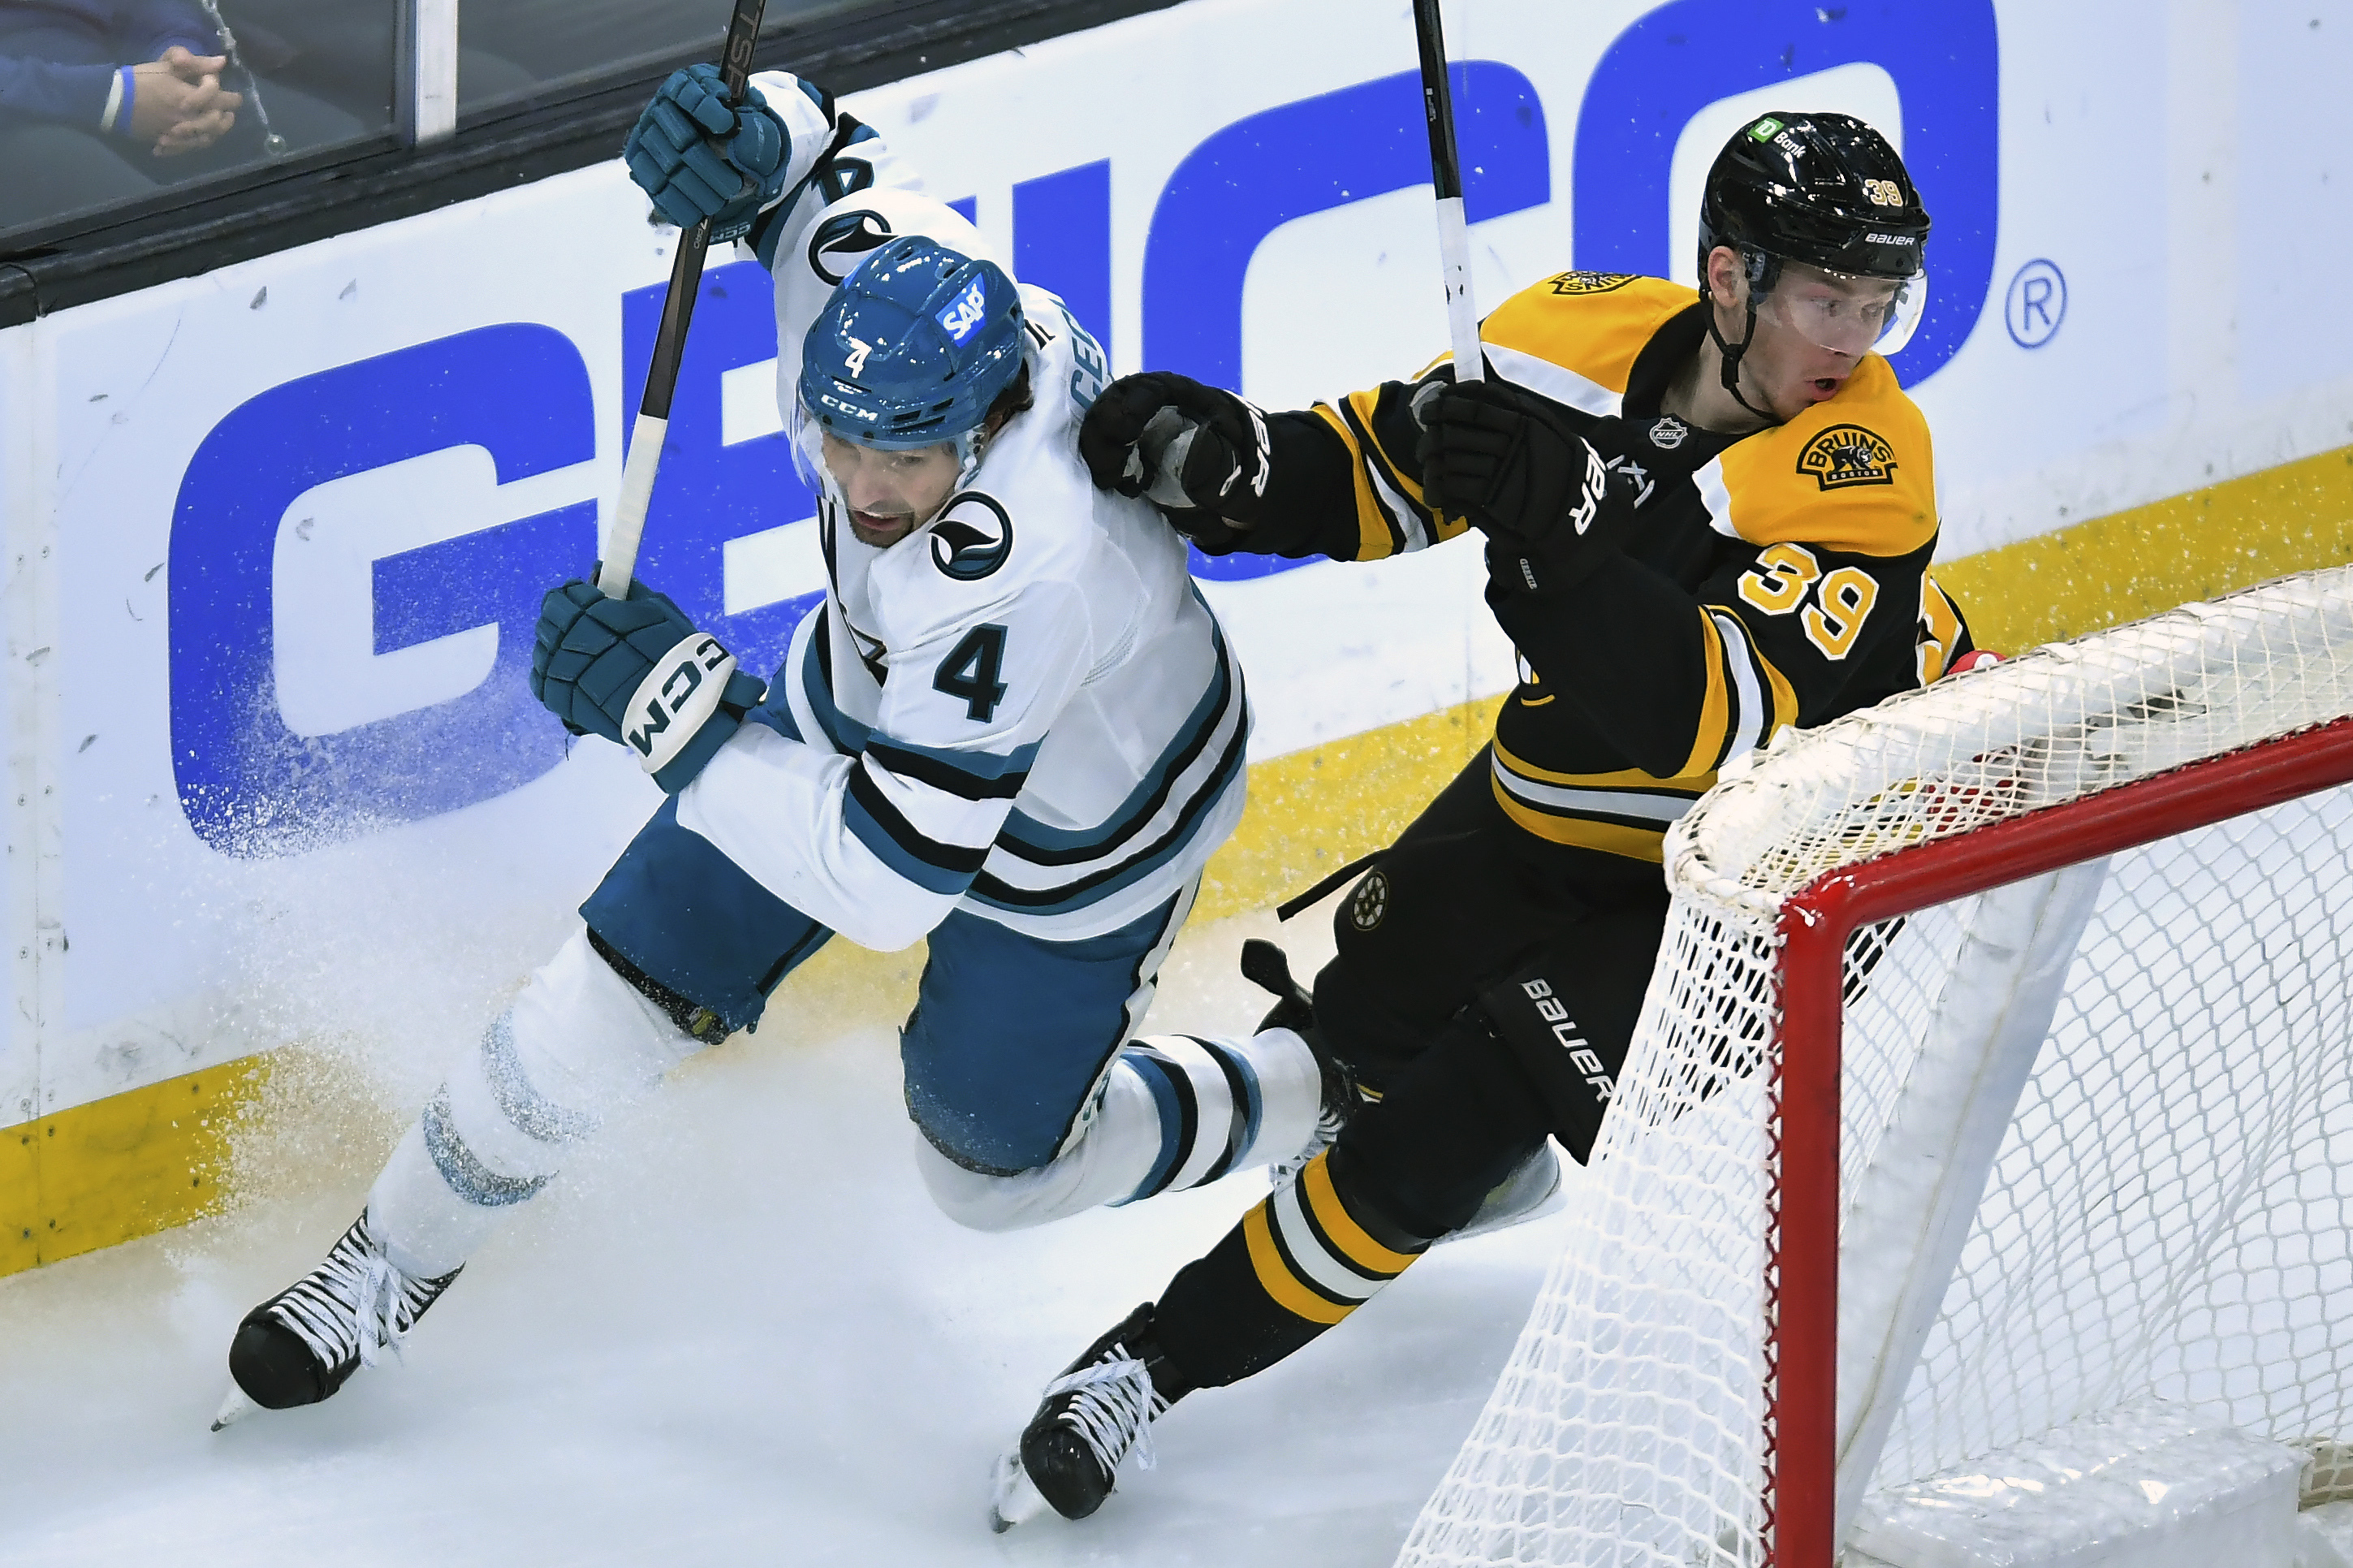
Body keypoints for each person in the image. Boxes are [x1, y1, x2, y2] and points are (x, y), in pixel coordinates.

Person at [215, 67, 1341, 1424]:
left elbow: (886, 880)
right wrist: (751, 141)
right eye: (846, 442)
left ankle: (1318, 1088)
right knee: (616, 984)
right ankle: (381, 1268)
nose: (867, 487)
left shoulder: (1028, 564)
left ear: (987, 426)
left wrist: (670, 711)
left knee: (990, 1174)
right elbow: (822, 162)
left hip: (1082, 838)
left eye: (910, 460)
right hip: (874, 709)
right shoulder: (892, 300)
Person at [987, 111, 1981, 1527]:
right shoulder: (1568, 335)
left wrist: (1573, 538)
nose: (1857, 336)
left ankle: (1147, 1364)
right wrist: (1228, 467)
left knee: (1445, 1117)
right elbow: (1389, 470)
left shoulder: (1862, 462)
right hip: (1551, 809)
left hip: (1760, 887)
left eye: (1881, 302)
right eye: (1828, 296)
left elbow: (1717, 728)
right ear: (1727, 277)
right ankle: (1474, 1165)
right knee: (1354, 1050)